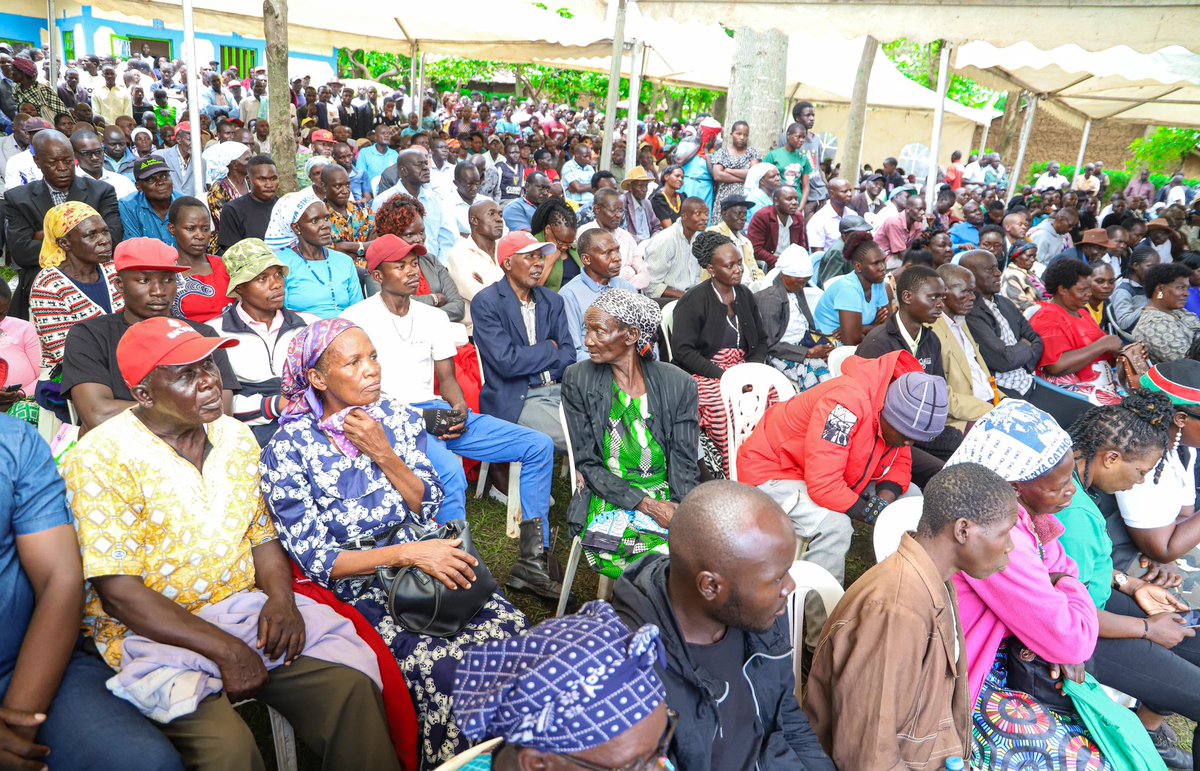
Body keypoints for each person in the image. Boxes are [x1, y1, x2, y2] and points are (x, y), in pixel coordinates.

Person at [61, 316, 397, 770]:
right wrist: (226, 650)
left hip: (247, 612)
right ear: (143, 395)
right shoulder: (100, 457)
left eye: (208, 366)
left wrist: (281, 600)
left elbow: (261, 533)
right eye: (186, 374)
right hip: (153, 635)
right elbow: (119, 595)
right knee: (229, 751)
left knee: (350, 688)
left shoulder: (234, 436)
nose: (208, 382)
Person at [260, 319, 528, 765]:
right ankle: (456, 761)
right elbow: (317, 560)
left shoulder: (393, 416)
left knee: (510, 631)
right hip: (363, 583)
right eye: (354, 362)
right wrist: (409, 553)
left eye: (373, 356)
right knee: (440, 666)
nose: (372, 370)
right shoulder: (289, 449)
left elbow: (426, 502)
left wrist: (383, 452)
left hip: (425, 559)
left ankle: (517, 749)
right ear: (318, 379)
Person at [341, 235, 561, 599]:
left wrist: (458, 409)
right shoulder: (357, 320)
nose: (412, 272)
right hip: (390, 417)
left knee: (536, 445)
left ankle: (533, 562)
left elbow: (447, 381)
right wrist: (422, 418)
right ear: (378, 275)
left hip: (436, 411)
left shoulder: (432, 317)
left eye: (414, 264)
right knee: (450, 474)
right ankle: (456, 573)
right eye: (401, 266)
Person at [0, 413, 186, 771]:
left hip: (29, 663)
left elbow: (60, 579)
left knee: (146, 764)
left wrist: (19, 723)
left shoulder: (14, 442)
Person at [941, 400, 1119, 769]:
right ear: (1015, 487)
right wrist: (1067, 585)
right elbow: (1071, 637)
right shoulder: (996, 534)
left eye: (1070, 479)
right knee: (1089, 759)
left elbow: (1059, 566)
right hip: (970, 683)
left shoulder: (1023, 515)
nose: (1070, 493)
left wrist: (1059, 589)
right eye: (1058, 487)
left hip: (1012, 656)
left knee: (1105, 736)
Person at [806, 463, 1018, 770]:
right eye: (1005, 533)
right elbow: (870, 755)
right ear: (963, 530)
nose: (1010, 546)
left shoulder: (938, 579)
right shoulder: (895, 612)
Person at [611, 481, 835, 771]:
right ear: (710, 585)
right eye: (777, 578)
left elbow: (786, 715)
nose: (789, 587)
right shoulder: (630, 670)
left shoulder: (765, 612)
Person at [1057, 392, 1200, 769]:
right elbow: (1071, 614)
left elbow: (1080, 569)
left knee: (1193, 641)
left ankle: (1149, 732)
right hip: (1084, 637)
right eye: (1139, 473)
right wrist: (1146, 629)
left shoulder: (1081, 483)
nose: (1138, 484)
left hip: (1099, 605)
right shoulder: (1071, 510)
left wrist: (1132, 584)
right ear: (1111, 458)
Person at [738, 352, 944, 611]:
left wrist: (885, 499)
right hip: (775, 469)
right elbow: (823, 484)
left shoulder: (900, 404)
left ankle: (901, 597)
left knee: (911, 497)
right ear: (887, 411)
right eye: (904, 435)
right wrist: (866, 511)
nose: (908, 443)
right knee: (835, 526)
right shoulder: (844, 406)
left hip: (831, 470)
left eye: (914, 439)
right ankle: (818, 632)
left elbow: (900, 461)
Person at [561, 288, 699, 579]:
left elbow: (684, 459)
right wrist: (647, 506)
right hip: (611, 496)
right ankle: (653, 611)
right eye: (588, 330)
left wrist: (680, 510)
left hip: (667, 494)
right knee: (668, 563)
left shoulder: (678, 383)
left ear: (632, 335)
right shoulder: (579, 379)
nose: (588, 341)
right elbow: (588, 463)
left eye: (599, 331)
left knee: (705, 549)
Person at [451, 602, 675, 771]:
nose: (662, 768)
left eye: (663, 742)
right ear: (537, 765)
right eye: (635, 767)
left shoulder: (653, 757)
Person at [671, 231, 768, 476]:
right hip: (704, 372)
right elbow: (683, 352)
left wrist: (750, 374)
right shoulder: (693, 300)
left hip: (742, 368)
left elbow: (761, 341)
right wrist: (724, 376)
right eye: (729, 265)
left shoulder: (744, 295)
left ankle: (761, 467)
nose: (738, 270)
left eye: (739, 263)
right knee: (724, 409)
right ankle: (729, 471)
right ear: (711, 268)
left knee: (773, 401)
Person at [471, 231, 575, 451]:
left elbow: (568, 353)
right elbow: (506, 362)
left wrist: (530, 356)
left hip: (559, 389)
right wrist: (549, 348)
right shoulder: (487, 302)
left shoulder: (552, 300)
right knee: (581, 436)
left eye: (541, 257)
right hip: (519, 398)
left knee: (606, 425)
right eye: (530, 257)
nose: (538, 264)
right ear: (508, 263)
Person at [4, 128, 123, 320]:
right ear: (37, 162)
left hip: (96, 273)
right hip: (43, 276)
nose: (62, 167)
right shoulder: (18, 199)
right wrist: (82, 245)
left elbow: (113, 239)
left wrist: (46, 238)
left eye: (68, 161)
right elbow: (22, 251)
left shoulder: (101, 191)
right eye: (53, 162)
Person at [207, 239, 314, 445]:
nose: (276, 284)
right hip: (248, 437)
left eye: (278, 274)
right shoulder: (216, 333)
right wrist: (273, 405)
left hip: (309, 424)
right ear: (239, 288)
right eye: (262, 278)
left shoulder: (308, 325)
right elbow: (212, 403)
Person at [28, 202, 122, 373]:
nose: (105, 241)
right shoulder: (49, 286)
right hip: (74, 380)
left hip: (124, 367)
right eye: (91, 235)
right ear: (64, 243)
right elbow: (66, 353)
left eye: (105, 231)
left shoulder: (113, 270)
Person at [1031, 259, 1127, 405]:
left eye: (1089, 289)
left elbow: (1102, 350)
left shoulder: (1081, 312)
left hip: (1102, 384)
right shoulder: (1047, 316)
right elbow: (1056, 366)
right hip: (1073, 396)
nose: (1088, 294)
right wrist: (1103, 345)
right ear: (1062, 289)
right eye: (1082, 290)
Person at [959, 250, 1044, 399]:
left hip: (1029, 382)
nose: (998, 273)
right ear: (969, 276)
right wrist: (1025, 346)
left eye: (997, 267)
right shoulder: (970, 312)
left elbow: (1036, 339)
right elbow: (1003, 360)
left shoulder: (1004, 303)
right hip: (1003, 392)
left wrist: (1019, 356)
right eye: (989, 269)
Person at [268, 189, 363, 319]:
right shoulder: (280, 263)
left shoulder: (344, 262)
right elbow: (279, 315)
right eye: (314, 221)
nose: (325, 226)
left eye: (326, 218)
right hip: (302, 332)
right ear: (296, 228)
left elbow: (358, 310)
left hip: (348, 330)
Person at [755, 245, 836, 392]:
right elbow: (769, 344)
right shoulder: (771, 298)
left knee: (835, 359)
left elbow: (804, 324)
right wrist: (808, 353)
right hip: (779, 355)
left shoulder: (794, 287)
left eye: (806, 281)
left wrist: (822, 344)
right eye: (800, 281)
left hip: (800, 345)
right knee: (820, 373)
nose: (802, 286)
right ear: (784, 275)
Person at [374, 193, 464, 322]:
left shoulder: (431, 261)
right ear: (391, 236)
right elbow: (388, 309)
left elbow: (458, 307)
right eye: (409, 234)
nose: (419, 239)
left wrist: (417, 316)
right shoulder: (380, 267)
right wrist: (434, 299)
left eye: (421, 232)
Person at [931, 264, 998, 430]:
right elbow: (941, 396)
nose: (973, 297)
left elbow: (979, 373)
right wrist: (991, 411)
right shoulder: (932, 332)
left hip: (992, 402)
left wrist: (1003, 401)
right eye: (965, 292)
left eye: (972, 291)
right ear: (944, 293)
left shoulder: (960, 320)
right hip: (964, 418)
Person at [559, 227, 638, 361]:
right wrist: (614, 361)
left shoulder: (627, 288)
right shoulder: (569, 295)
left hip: (631, 365)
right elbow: (573, 351)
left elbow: (645, 336)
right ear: (586, 259)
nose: (617, 258)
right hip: (595, 368)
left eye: (617, 250)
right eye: (607, 253)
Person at [373, 148, 459, 262]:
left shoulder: (436, 200)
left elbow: (448, 240)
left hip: (435, 267)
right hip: (401, 267)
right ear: (404, 171)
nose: (425, 168)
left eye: (425, 163)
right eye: (419, 165)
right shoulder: (384, 201)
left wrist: (439, 268)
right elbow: (381, 242)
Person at [813, 231, 894, 345]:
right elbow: (851, 341)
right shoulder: (849, 290)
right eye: (875, 263)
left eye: (883, 261)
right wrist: (875, 326)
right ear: (858, 267)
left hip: (857, 340)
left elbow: (890, 326)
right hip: (828, 343)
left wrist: (864, 329)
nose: (882, 268)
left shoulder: (878, 283)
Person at [165, 196, 232, 322]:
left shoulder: (226, 266)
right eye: (190, 229)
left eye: (205, 229)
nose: (200, 236)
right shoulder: (165, 272)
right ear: (172, 229)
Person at [1133, 261, 1200, 365]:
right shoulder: (1153, 325)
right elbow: (1188, 363)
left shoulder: (1177, 312)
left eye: (1187, 288)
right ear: (1160, 289)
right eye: (1181, 288)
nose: (1186, 294)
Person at [643, 196, 709, 301]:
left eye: (706, 214)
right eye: (698, 214)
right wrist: (687, 297)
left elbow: (696, 279)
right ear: (684, 216)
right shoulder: (666, 240)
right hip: (662, 301)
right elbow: (651, 286)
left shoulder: (698, 238)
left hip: (688, 298)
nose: (705, 218)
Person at [215, 154, 278, 254]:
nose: (269, 185)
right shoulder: (233, 210)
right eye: (262, 179)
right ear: (249, 180)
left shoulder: (285, 207)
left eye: (273, 178)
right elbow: (231, 254)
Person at [321, 163, 375, 268]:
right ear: (324, 187)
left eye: (347, 185)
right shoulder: (319, 217)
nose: (345, 191)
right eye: (338, 186)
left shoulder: (363, 209)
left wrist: (349, 247)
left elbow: (377, 243)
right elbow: (329, 253)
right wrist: (365, 247)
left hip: (371, 270)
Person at [202, 141, 251, 251]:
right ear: (234, 164)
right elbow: (223, 222)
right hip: (228, 244)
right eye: (247, 159)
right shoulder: (218, 189)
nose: (252, 163)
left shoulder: (250, 182)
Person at [709, 119, 760, 218]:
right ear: (732, 134)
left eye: (745, 135)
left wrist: (729, 170)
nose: (742, 137)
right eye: (739, 134)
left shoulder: (752, 152)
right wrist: (743, 178)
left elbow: (754, 174)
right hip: (725, 198)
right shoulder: (722, 152)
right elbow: (717, 175)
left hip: (746, 199)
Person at [71, 126, 136, 200]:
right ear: (74, 155)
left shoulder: (122, 181)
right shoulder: (70, 183)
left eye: (98, 152)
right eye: (87, 153)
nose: (94, 157)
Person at [748, 186, 805, 270]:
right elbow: (756, 249)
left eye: (796, 199)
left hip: (791, 267)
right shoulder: (762, 216)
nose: (795, 202)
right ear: (776, 201)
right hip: (769, 266)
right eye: (789, 199)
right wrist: (780, 263)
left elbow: (801, 246)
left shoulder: (798, 217)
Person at [1112, 244, 1162, 333]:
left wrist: (1161, 293)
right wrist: (1148, 306)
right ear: (1135, 266)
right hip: (1136, 338)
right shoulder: (1124, 291)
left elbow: (1159, 302)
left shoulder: (1149, 286)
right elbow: (1124, 324)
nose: (1155, 271)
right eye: (1150, 266)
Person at [764, 121, 812, 214]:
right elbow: (762, 180)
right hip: (776, 204)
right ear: (788, 135)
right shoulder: (773, 156)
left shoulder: (803, 159)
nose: (801, 140)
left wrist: (801, 207)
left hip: (795, 205)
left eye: (803, 137)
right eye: (798, 137)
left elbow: (806, 186)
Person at [875, 194, 927, 266]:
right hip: (881, 259)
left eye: (924, 210)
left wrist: (928, 225)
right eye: (919, 209)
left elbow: (919, 247)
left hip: (897, 257)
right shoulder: (894, 222)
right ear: (908, 209)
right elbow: (902, 255)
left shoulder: (918, 225)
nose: (923, 213)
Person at [805, 178, 852, 252]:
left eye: (850, 190)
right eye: (844, 191)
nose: (849, 194)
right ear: (832, 193)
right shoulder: (818, 221)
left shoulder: (853, 215)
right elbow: (818, 256)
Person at [620, 165, 663, 243]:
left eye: (646, 185)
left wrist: (653, 240)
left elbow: (657, 226)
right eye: (640, 186)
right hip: (632, 244)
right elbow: (620, 230)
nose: (644, 189)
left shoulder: (647, 203)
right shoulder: (623, 201)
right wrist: (640, 242)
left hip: (649, 243)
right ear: (630, 187)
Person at [1001, 240, 1047, 312]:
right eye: (1029, 256)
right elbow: (1020, 303)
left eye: (1034, 256)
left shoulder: (1029, 273)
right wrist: (1046, 308)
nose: (1033, 260)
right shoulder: (1011, 276)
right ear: (1016, 256)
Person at [648, 164, 688, 229]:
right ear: (666, 177)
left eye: (682, 177)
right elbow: (669, 228)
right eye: (677, 176)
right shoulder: (658, 198)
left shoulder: (682, 197)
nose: (680, 179)